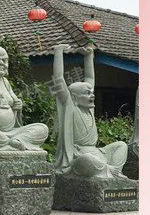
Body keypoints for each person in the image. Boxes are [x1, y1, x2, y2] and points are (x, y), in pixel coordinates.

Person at [52, 44, 127, 177]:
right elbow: (58, 79)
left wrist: (88, 56)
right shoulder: (70, 106)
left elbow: (90, 78)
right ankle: (110, 171)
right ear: (74, 97)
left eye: (92, 93)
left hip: (98, 152)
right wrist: (58, 52)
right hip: (79, 155)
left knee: (121, 146)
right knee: (86, 160)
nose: (92, 95)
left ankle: (110, 170)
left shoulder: (89, 109)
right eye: (87, 93)